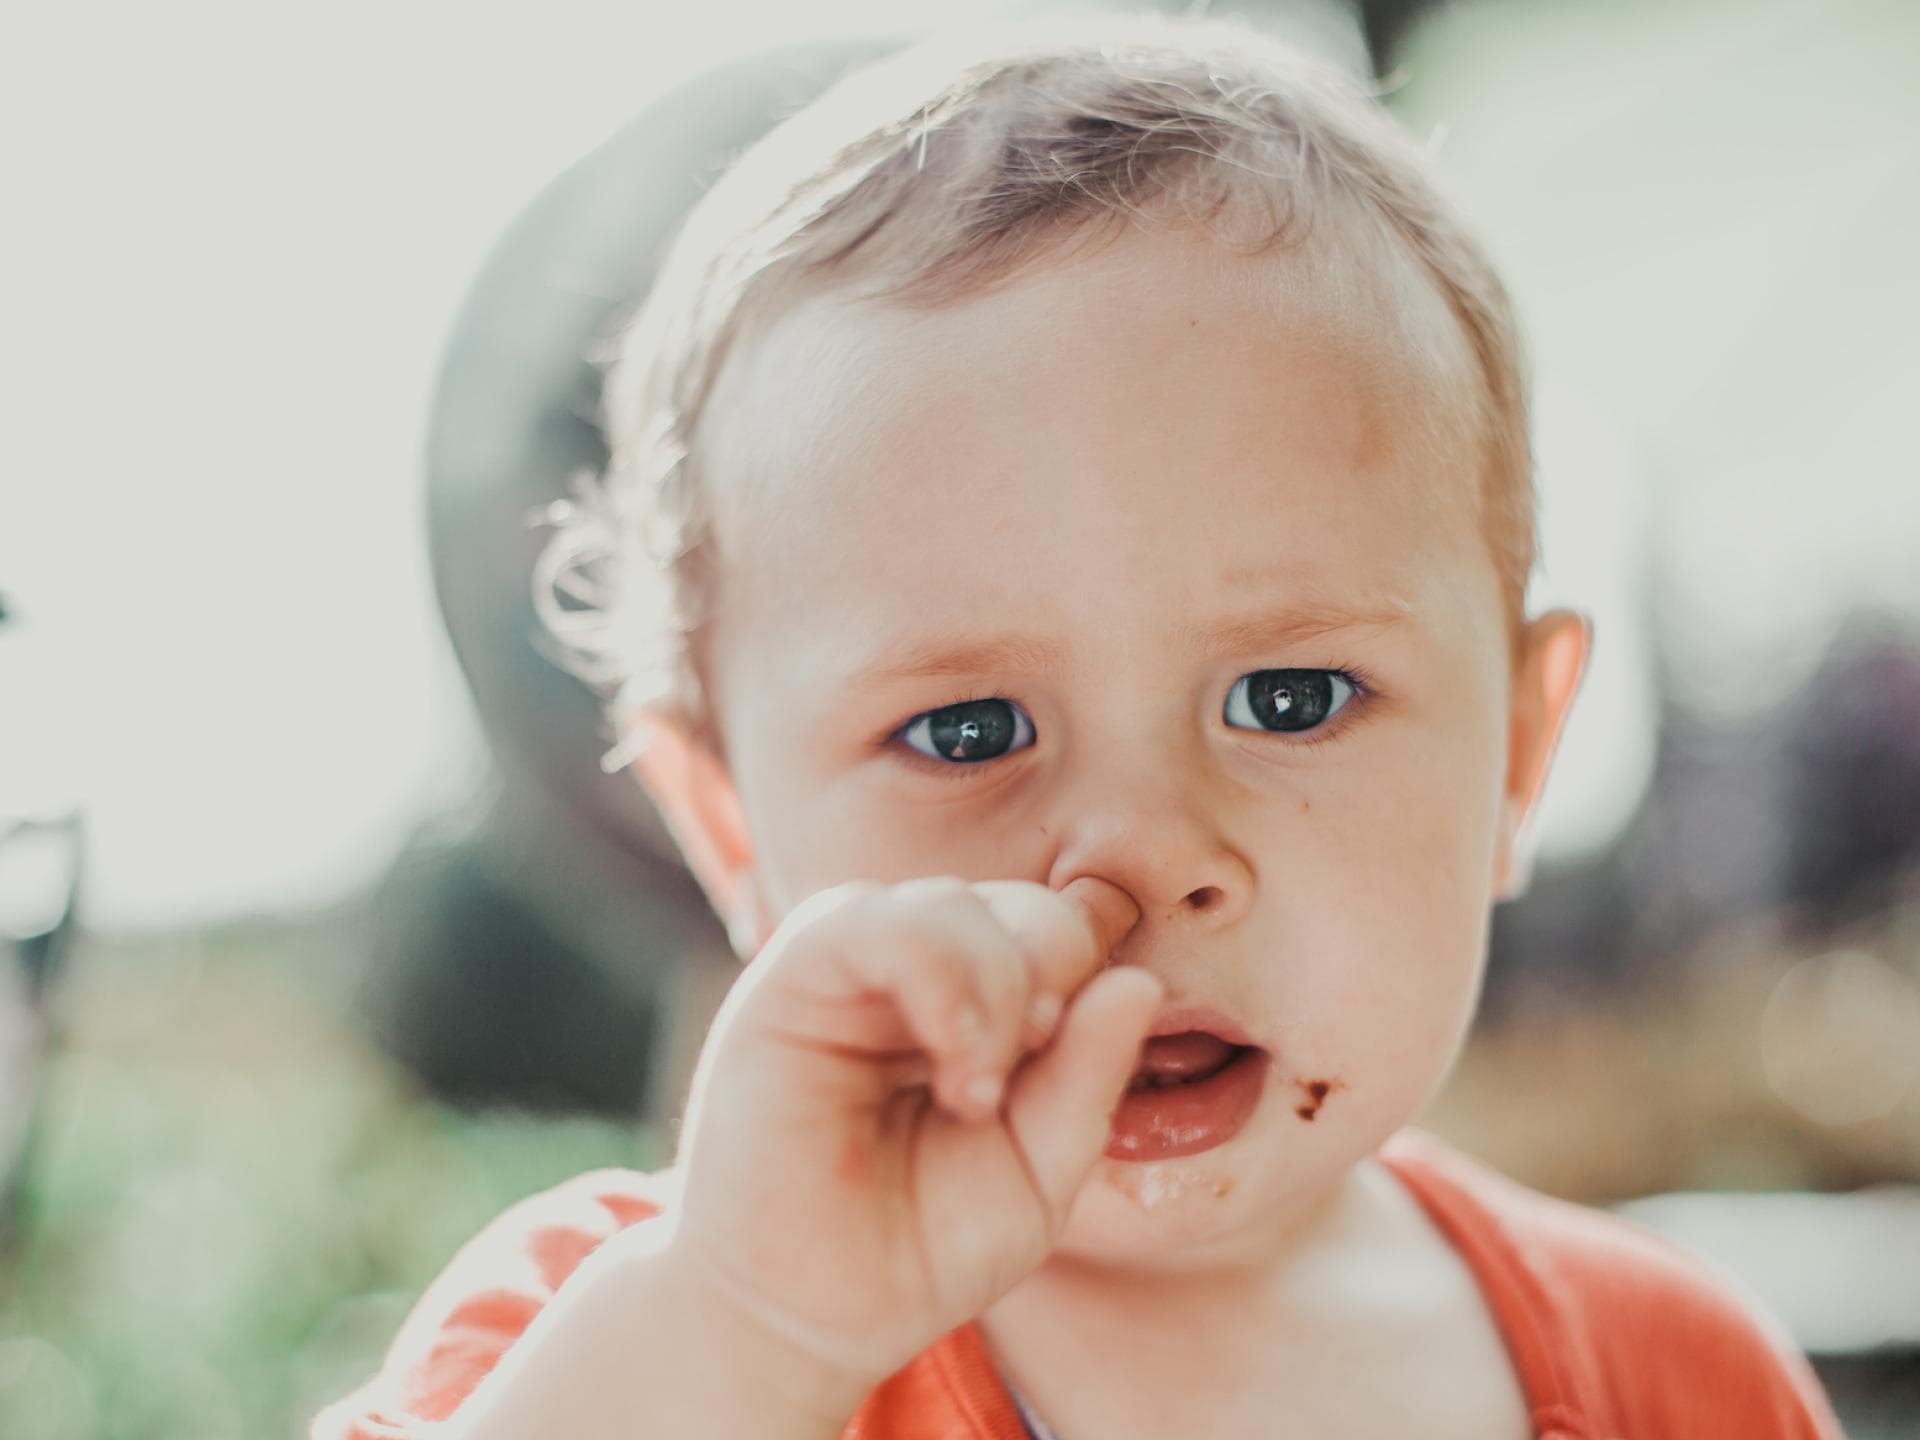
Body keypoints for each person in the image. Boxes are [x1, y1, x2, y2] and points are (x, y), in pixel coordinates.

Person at [314, 14, 1845, 1439]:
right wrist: (750, 1326)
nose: (1147, 852)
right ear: (726, 824)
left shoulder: (1684, 1378)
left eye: (1291, 700)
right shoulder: (620, 1346)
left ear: (1515, 751)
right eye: (971, 730)